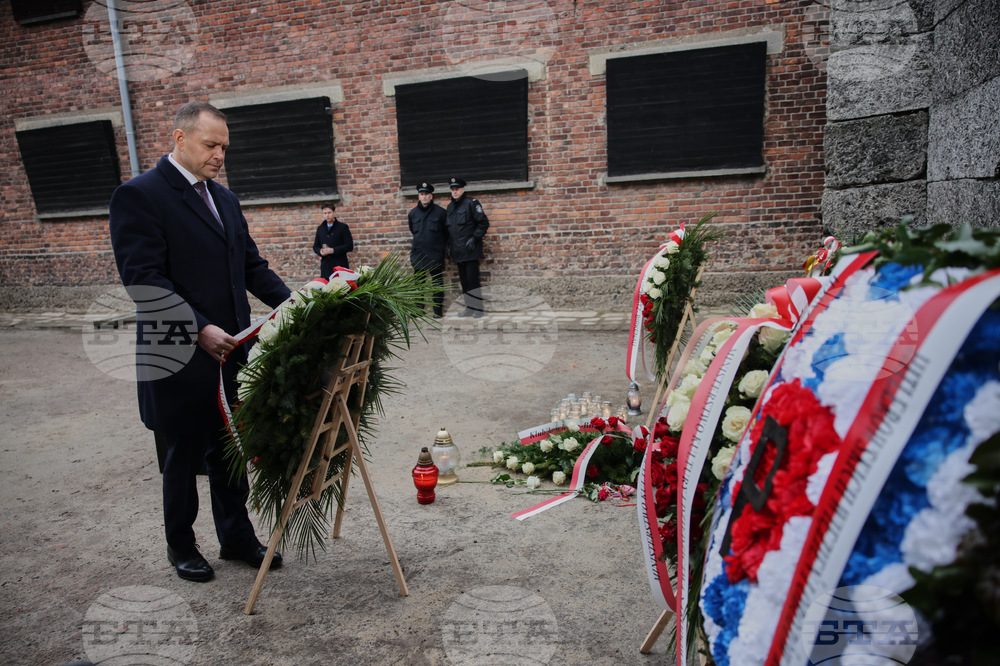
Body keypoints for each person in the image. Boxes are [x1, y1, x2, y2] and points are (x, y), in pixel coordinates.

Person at [109, 101, 291, 582]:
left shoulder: (225, 200)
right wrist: (198, 328)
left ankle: (236, 538)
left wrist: (298, 303)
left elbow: (250, 267)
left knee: (230, 452)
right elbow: (143, 279)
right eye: (211, 145)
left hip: (230, 352)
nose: (219, 156)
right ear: (179, 138)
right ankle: (182, 547)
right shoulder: (140, 196)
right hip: (177, 353)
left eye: (225, 147)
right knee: (181, 457)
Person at [445, 177, 489, 317]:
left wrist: (475, 237)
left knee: (472, 280)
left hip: (470, 250)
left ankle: (478, 308)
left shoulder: (471, 203)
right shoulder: (450, 207)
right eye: (453, 189)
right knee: (464, 281)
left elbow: (483, 223)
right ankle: (469, 307)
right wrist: (450, 246)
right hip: (458, 251)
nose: (455, 192)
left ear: (463, 189)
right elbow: (450, 229)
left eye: (457, 189)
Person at [407, 181, 447, 317]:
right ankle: (419, 310)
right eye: (421, 194)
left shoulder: (440, 213)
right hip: (419, 252)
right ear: (418, 196)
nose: (424, 197)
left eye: (426, 194)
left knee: (437, 283)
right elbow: (413, 230)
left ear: (431, 196)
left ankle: (437, 311)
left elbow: (446, 233)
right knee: (418, 283)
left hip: (435, 252)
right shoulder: (413, 214)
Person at [312, 202, 354, 277]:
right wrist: (320, 251)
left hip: (340, 265)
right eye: (325, 213)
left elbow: (349, 246)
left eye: (329, 212)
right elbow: (315, 246)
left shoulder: (343, 227)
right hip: (326, 266)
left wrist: (333, 250)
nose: (327, 215)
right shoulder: (320, 228)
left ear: (334, 213)